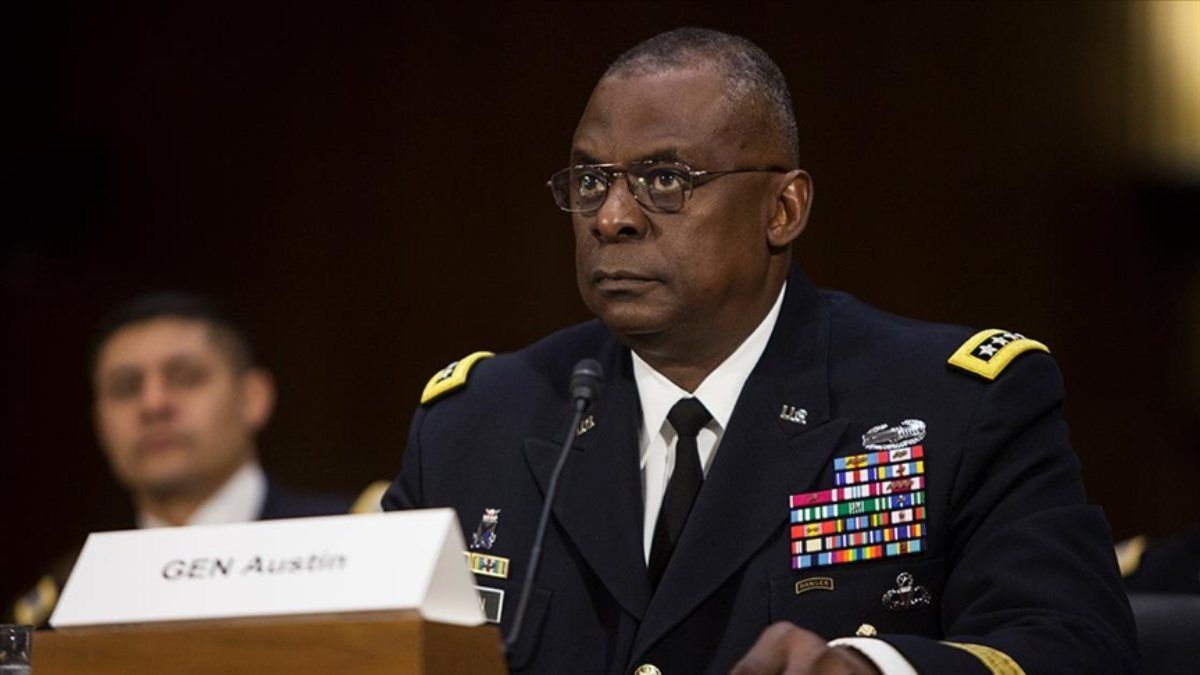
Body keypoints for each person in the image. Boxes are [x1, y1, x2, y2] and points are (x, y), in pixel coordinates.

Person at [383, 28, 1138, 674]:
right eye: (590, 181)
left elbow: (1077, 644)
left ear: (783, 209)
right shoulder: (475, 424)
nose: (611, 217)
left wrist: (871, 667)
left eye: (664, 179)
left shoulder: (954, 408)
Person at [10, 292, 386, 628]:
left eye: (185, 378)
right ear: (100, 423)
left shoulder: (353, 545)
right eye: (126, 388)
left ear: (253, 397)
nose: (153, 404)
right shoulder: (69, 600)